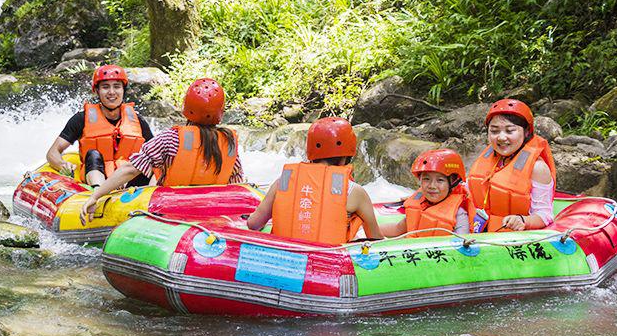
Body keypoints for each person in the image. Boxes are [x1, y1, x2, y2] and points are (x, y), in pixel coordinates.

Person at [80, 78, 244, 223]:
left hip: (168, 213)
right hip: (211, 215)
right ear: (220, 112)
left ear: (186, 108)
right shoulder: (229, 144)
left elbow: (131, 169)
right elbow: (236, 186)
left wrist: (96, 195)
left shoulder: (171, 138)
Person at [246, 117, 381, 244]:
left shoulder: (283, 181)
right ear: (346, 157)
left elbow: (253, 224)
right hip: (328, 263)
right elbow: (376, 239)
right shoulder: (354, 191)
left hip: (283, 261)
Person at [45, 64, 154, 188]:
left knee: (145, 160)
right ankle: (100, 192)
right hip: (96, 179)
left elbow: (157, 157)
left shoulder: (138, 121)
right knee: (93, 154)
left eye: (117, 87)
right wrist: (62, 165)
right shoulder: (81, 119)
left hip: (127, 182)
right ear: (97, 91)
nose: (111, 92)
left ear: (123, 90)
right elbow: (52, 153)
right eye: (105, 87)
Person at [467, 98, 557, 232]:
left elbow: (545, 216)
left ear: (526, 132)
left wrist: (523, 220)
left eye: (510, 131)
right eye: (494, 131)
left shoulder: (538, 168)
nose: (501, 137)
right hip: (477, 234)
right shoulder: (489, 157)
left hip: (512, 239)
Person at [379, 149, 470, 238]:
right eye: (426, 179)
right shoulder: (420, 204)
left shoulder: (459, 215)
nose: (432, 186)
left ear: (453, 183)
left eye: (440, 180)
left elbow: (461, 244)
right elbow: (398, 229)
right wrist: (367, 230)